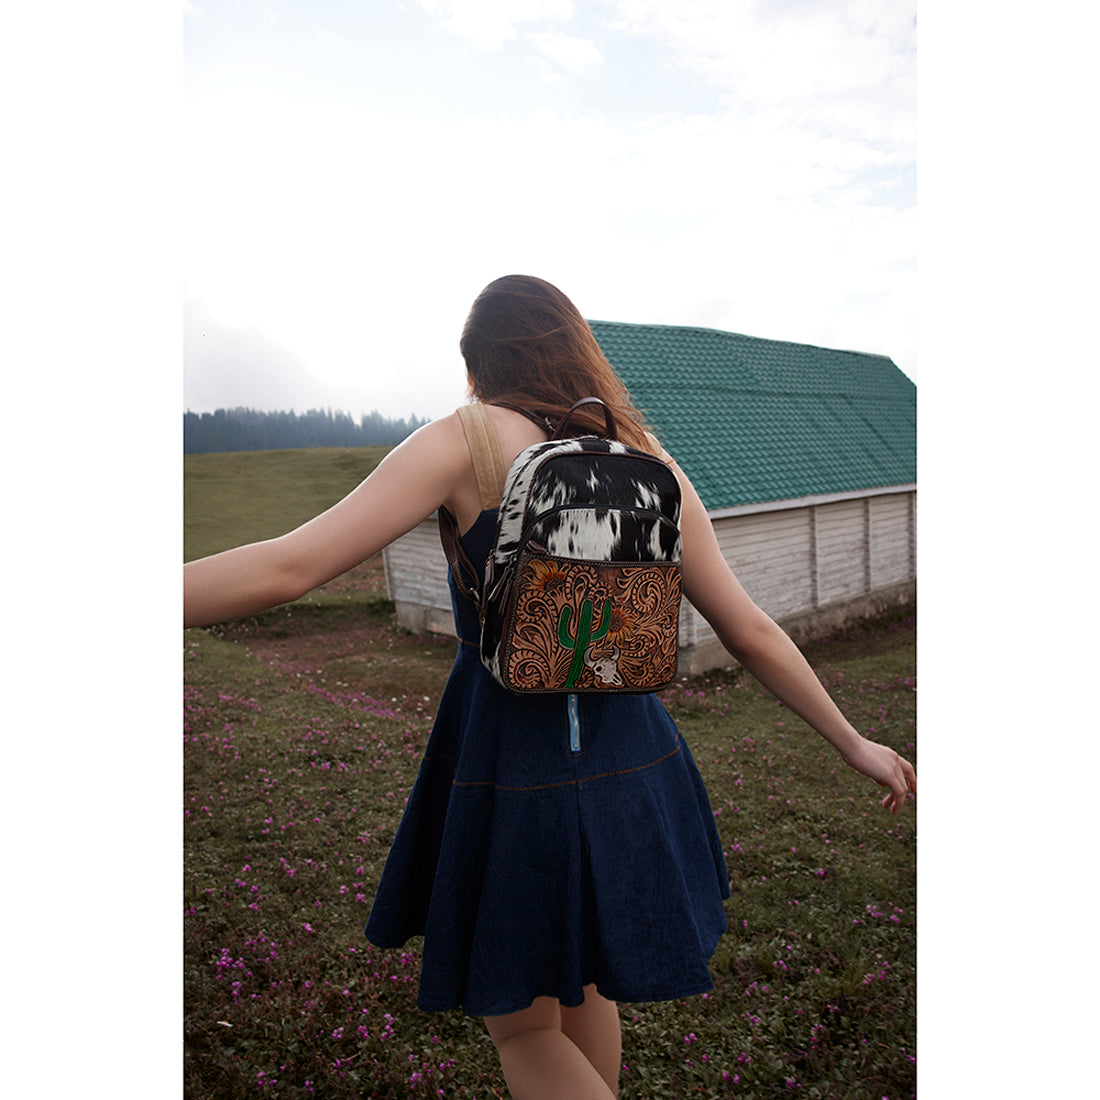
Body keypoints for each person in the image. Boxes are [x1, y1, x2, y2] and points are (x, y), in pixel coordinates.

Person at [184, 274, 916, 1100]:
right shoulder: (646, 458)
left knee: (526, 1027)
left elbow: (291, 567)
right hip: (633, 762)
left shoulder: (463, 443)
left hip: (511, 763)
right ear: (576, 351)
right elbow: (748, 628)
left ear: (476, 367)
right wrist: (854, 741)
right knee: (584, 988)